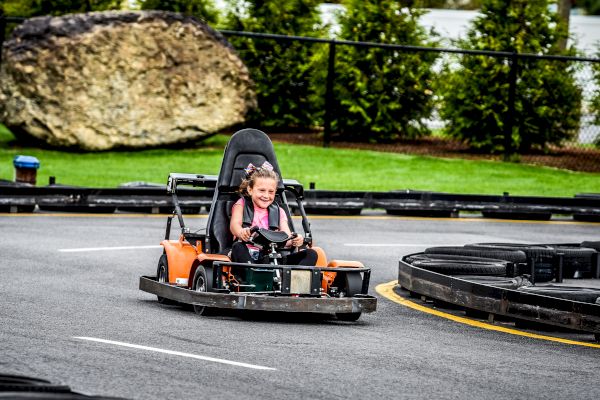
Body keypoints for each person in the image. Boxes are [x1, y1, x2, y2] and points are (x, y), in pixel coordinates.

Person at [229, 161, 317, 267]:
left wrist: (295, 240)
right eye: (262, 190)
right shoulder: (241, 205)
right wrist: (241, 232)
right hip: (247, 255)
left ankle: (295, 280)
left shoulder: (279, 211)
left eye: (271, 192)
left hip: (273, 257)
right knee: (238, 247)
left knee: (311, 254)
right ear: (250, 189)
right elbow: (234, 225)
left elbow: (286, 237)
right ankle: (254, 277)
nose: (266, 196)